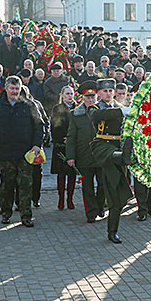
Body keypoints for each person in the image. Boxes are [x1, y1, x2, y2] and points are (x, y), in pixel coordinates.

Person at [0, 76, 44, 227]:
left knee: (25, 186)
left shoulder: (29, 105)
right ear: (6, 88)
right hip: (5, 154)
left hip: (25, 154)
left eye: (17, 89)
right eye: (12, 88)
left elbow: (39, 127)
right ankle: (6, 214)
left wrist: (37, 146)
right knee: (7, 186)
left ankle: (26, 216)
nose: (14, 92)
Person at [86, 78, 134, 243]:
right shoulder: (94, 107)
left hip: (119, 145)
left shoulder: (121, 108)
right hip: (102, 145)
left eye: (110, 91)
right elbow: (97, 116)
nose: (107, 93)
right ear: (99, 93)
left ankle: (112, 230)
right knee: (113, 155)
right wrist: (122, 112)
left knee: (116, 194)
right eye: (104, 91)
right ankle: (122, 156)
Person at [66, 81, 105, 223]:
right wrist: (70, 156)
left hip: (101, 156)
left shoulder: (103, 112)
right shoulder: (76, 115)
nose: (91, 99)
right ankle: (91, 212)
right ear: (82, 98)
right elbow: (71, 137)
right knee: (87, 187)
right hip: (84, 156)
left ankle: (100, 206)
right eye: (87, 97)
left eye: (93, 96)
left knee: (103, 184)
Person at [51, 85, 77, 210]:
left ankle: (70, 198)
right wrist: (62, 138)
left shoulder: (78, 107)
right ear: (62, 95)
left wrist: (72, 139)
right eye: (67, 94)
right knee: (61, 173)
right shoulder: (57, 108)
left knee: (72, 173)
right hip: (60, 145)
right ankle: (61, 198)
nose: (70, 96)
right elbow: (54, 126)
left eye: (71, 93)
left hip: (74, 145)